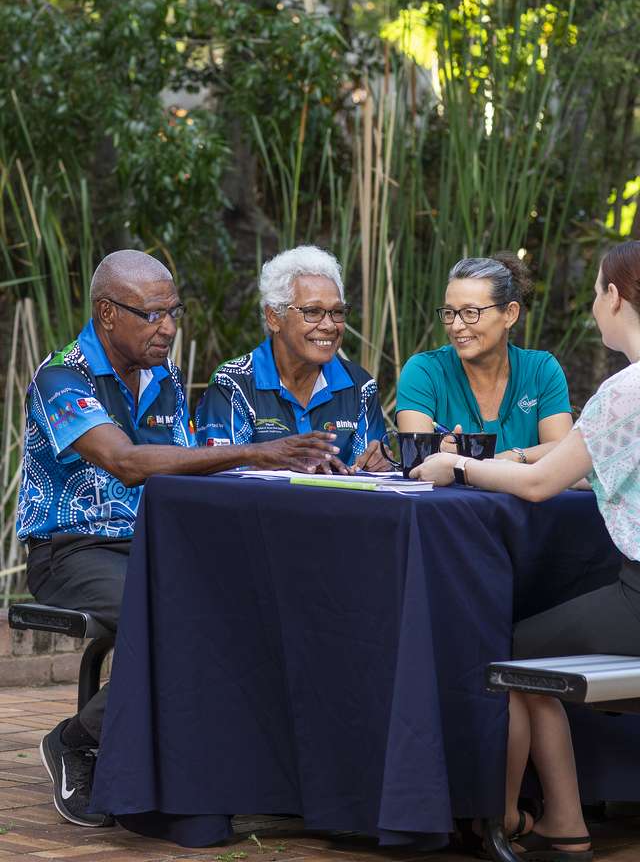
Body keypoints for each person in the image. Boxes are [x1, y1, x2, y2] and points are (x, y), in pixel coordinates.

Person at [17, 249, 340, 829]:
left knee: (262, 606)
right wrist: (255, 450)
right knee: (180, 617)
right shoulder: (63, 376)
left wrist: (288, 469)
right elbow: (128, 463)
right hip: (74, 550)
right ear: (107, 313)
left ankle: (250, 773)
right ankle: (76, 740)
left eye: (174, 313)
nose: (167, 328)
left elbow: (191, 465)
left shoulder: (159, 375)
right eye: (151, 315)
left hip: (156, 546)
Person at [410, 240, 640, 861]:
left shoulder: (625, 392)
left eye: (596, 293)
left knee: (510, 649)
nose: (594, 305)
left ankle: (510, 816)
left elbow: (543, 483)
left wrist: (459, 467)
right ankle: (563, 818)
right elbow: (578, 463)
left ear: (616, 297)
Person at [196, 245, 390, 472]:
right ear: (274, 317)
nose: (329, 325)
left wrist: (378, 464)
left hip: (338, 508)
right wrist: (291, 466)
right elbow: (221, 478)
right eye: (312, 311)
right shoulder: (234, 383)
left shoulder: (359, 385)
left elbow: (368, 478)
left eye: (337, 312)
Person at [396, 253, 573, 462]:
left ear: (510, 314)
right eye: (450, 313)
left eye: (471, 312)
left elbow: (565, 454)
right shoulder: (423, 371)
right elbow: (419, 462)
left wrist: (505, 459)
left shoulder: (541, 370)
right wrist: (436, 453)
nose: (456, 326)